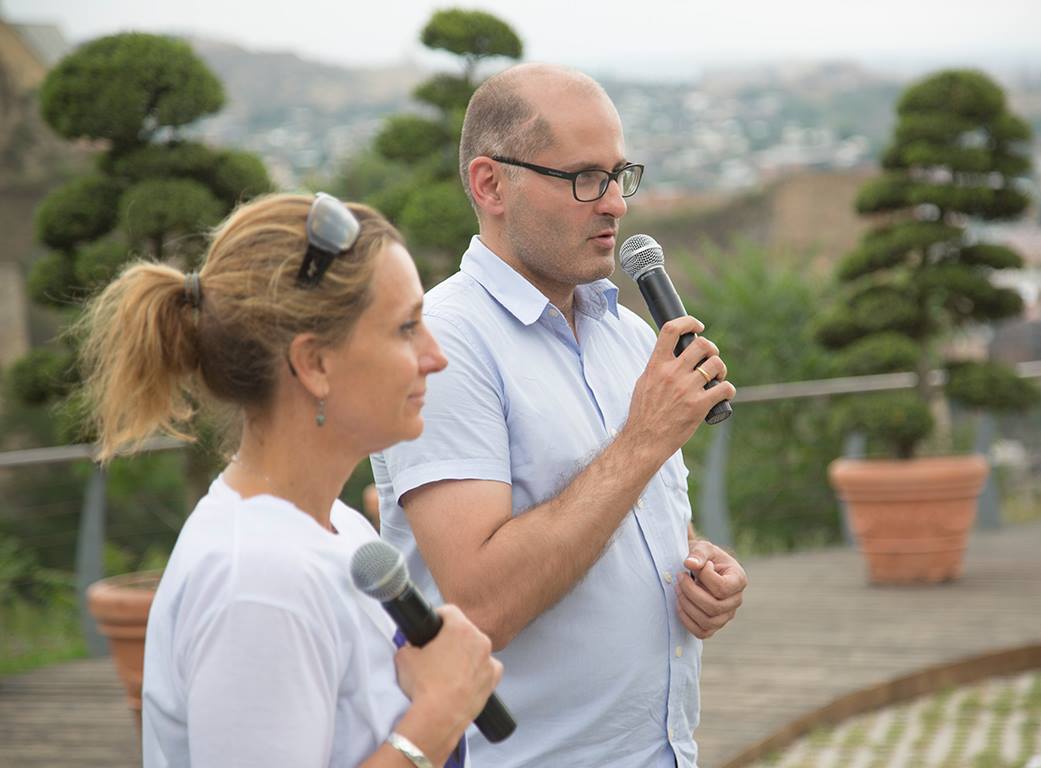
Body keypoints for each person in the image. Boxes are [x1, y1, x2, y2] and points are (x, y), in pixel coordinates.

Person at [371, 63, 748, 767]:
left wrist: (698, 565)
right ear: (491, 185)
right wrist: (643, 440)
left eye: (619, 175)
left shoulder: (629, 334)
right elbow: (479, 606)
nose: (616, 205)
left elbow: (637, 512)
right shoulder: (445, 344)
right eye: (584, 178)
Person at [78, 193, 502, 768]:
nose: (436, 356)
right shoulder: (259, 582)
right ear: (315, 364)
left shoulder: (335, 529)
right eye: (406, 328)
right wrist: (437, 717)